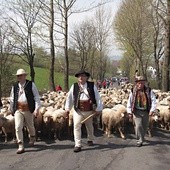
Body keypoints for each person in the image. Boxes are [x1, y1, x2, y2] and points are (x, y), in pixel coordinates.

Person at [65, 70, 103, 152]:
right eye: (79, 76)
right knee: (76, 126)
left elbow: (97, 97)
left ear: (86, 77)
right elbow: (70, 97)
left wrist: (98, 109)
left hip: (89, 110)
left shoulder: (92, 86)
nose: (81, 78)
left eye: (83, 76)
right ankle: (78, 144)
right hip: (78, 110)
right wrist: (67, 108)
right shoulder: (74, 86)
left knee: (89, 126)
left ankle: (90, 139)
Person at [10, 68, 41, 154]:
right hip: (18, 109)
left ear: (24, 76)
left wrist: (37, 108)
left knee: (30, 126)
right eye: (18, 76)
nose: (19, 77)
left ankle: (32, 137)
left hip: (28, 108)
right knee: (18, 127)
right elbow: (12, 98)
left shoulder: (31, 84)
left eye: (20, 75)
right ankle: (20, 145)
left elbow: (36, 97)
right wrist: (11, 108)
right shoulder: (15, 85)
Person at [127, 76, 156, 147]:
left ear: (144, 84)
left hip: (146, 111)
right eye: (139, 83)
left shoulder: (149, 91)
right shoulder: (133, 91)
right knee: (138, 126)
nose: (140, 85)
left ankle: (142, 138)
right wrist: (129, 111)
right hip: (137, 111)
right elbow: (129, 101)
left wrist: (152, 110)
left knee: (144, 126)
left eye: (142, 83)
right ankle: (139, 141)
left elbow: (153, 100)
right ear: (136, 83)